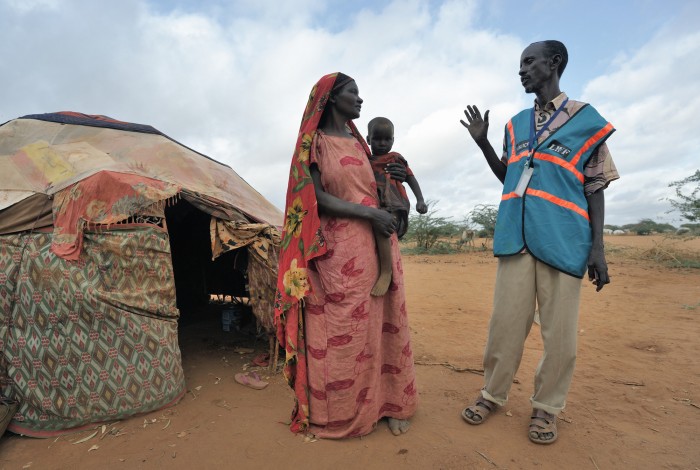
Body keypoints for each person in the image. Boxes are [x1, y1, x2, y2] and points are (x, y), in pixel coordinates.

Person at [459, 40, 619, 444]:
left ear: (555, 63)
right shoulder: (515, 125)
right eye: (521, 64)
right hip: (516, 238)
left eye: (529, 62)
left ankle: (547, 407)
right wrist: (482, 142)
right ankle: (492, 394)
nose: (522, 70)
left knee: (560, 336)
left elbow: (596, 187)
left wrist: (597, 248)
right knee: (504, 326)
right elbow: (510, 177)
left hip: (565, 241)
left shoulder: (587, 121)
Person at [274, 73, 418, 439]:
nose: (360, 99)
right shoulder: (316, 143)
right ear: (331, 98)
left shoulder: (359, 143)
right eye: (353, 92)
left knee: (384, 324)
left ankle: (390, 404)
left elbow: (379, 183)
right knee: (345, 330)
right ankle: (339, 413)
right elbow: (315, 196)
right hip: (338, 250)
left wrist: (396, 177)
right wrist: (368, 213)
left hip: (380, 242)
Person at [366, 117, 427, 295]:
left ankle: (386, 271)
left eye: (387, 139)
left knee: (383, 227)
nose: (383, 143)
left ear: (393, 140)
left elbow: (410, 178)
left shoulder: (396, 158)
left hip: (394, 202)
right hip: (377, 203)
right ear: (368, 139)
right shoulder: (365, 159)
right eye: (377, 139)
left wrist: (420, 200)